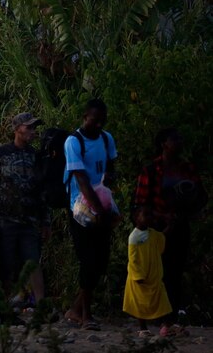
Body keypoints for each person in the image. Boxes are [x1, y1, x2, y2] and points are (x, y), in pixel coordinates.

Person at [133, 128, 207, 335]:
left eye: (180, 138)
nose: (180, 142)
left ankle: (170, 318)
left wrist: (192, 211)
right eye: (175, 139)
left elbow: (201, 196)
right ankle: (157, 318)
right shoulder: (151, 169)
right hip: (157, 229)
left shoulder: (187, 168)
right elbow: (139, 204)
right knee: (156, 273)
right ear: (164, 144)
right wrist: (161, 217)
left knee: (175, 271)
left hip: (180, 225)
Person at [0, 112, 49, 313]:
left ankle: (41, 304)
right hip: (3, 219)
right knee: (5, 263)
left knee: (32, 261)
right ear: (17, 129)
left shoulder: (35, 156)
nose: (33, 131)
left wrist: (46, 221)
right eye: (29, 127)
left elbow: (41, 189)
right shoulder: (0, 153)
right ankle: (3, 306)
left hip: (29, 220)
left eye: (34, 127)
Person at [63, 99, 118, 331]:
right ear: (85, 117)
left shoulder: (106, 138)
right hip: (81, 209)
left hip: (102, 203)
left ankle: (75, 309)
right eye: (94, 121)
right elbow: (82, 180)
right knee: (88, 260)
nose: (98, 125)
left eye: (101, 121)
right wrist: (100, 210)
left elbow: (112, 165)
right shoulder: (73, 142)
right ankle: (86, 314)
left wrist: (109, 188)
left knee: (101, 261)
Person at [123, 206, 172, 338]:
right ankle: (143, 328)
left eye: (150, 215)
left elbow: (161, 238)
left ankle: (167, 325)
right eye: (146, 215)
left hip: (154, 277)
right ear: (136, 218)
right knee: (140, 303)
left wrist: (170, 224)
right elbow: (133, 259)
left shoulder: (153, 233)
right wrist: (138, 276)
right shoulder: (133, 237)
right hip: (140, 278)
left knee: (163, 301)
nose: (149, 218)